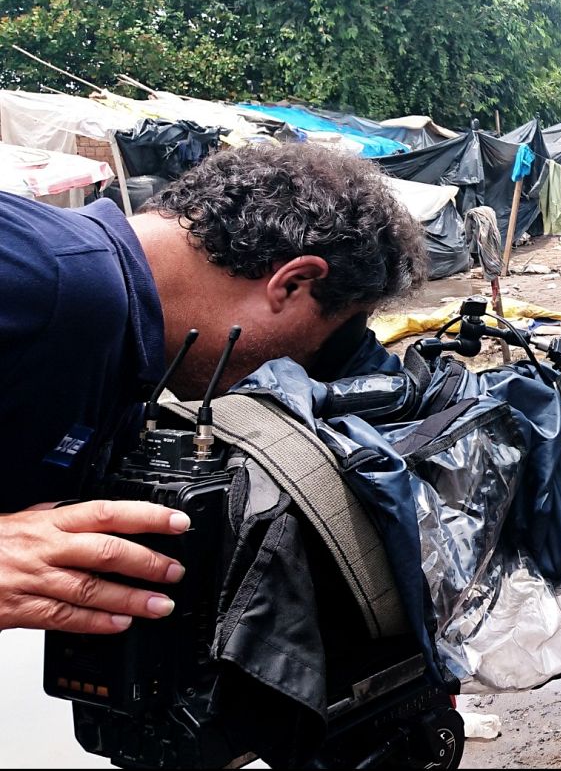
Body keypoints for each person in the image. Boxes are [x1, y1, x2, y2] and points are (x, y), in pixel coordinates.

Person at [0, 144, 424, 635]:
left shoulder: (122, 357)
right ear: (293, 283)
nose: (303, 372)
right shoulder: (48, 268)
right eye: (331, 346)